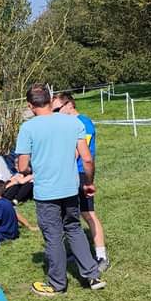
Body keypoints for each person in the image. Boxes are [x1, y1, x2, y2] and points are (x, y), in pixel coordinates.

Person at [14, 83, 104, 296]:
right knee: (74, 229)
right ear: (50, 99)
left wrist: (30, 165)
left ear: (29, 105)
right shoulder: (73, 122)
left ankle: (57, 284)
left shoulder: (28, 128)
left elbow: (22, 166)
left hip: (46, 193)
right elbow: (87, 158)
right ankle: (92, 275)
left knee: (53, 236)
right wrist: (89, 182)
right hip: (70, 189)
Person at [53, 91, 109, 270]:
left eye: (57, 109)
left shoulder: (83, 123)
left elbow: (79, 152)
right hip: (68, 173)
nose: (55, 114)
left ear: (69, 104)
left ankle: (101, 255)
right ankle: (78, 251)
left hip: (81, 173)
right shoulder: (65, 125)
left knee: (88, 213)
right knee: (69, 215)